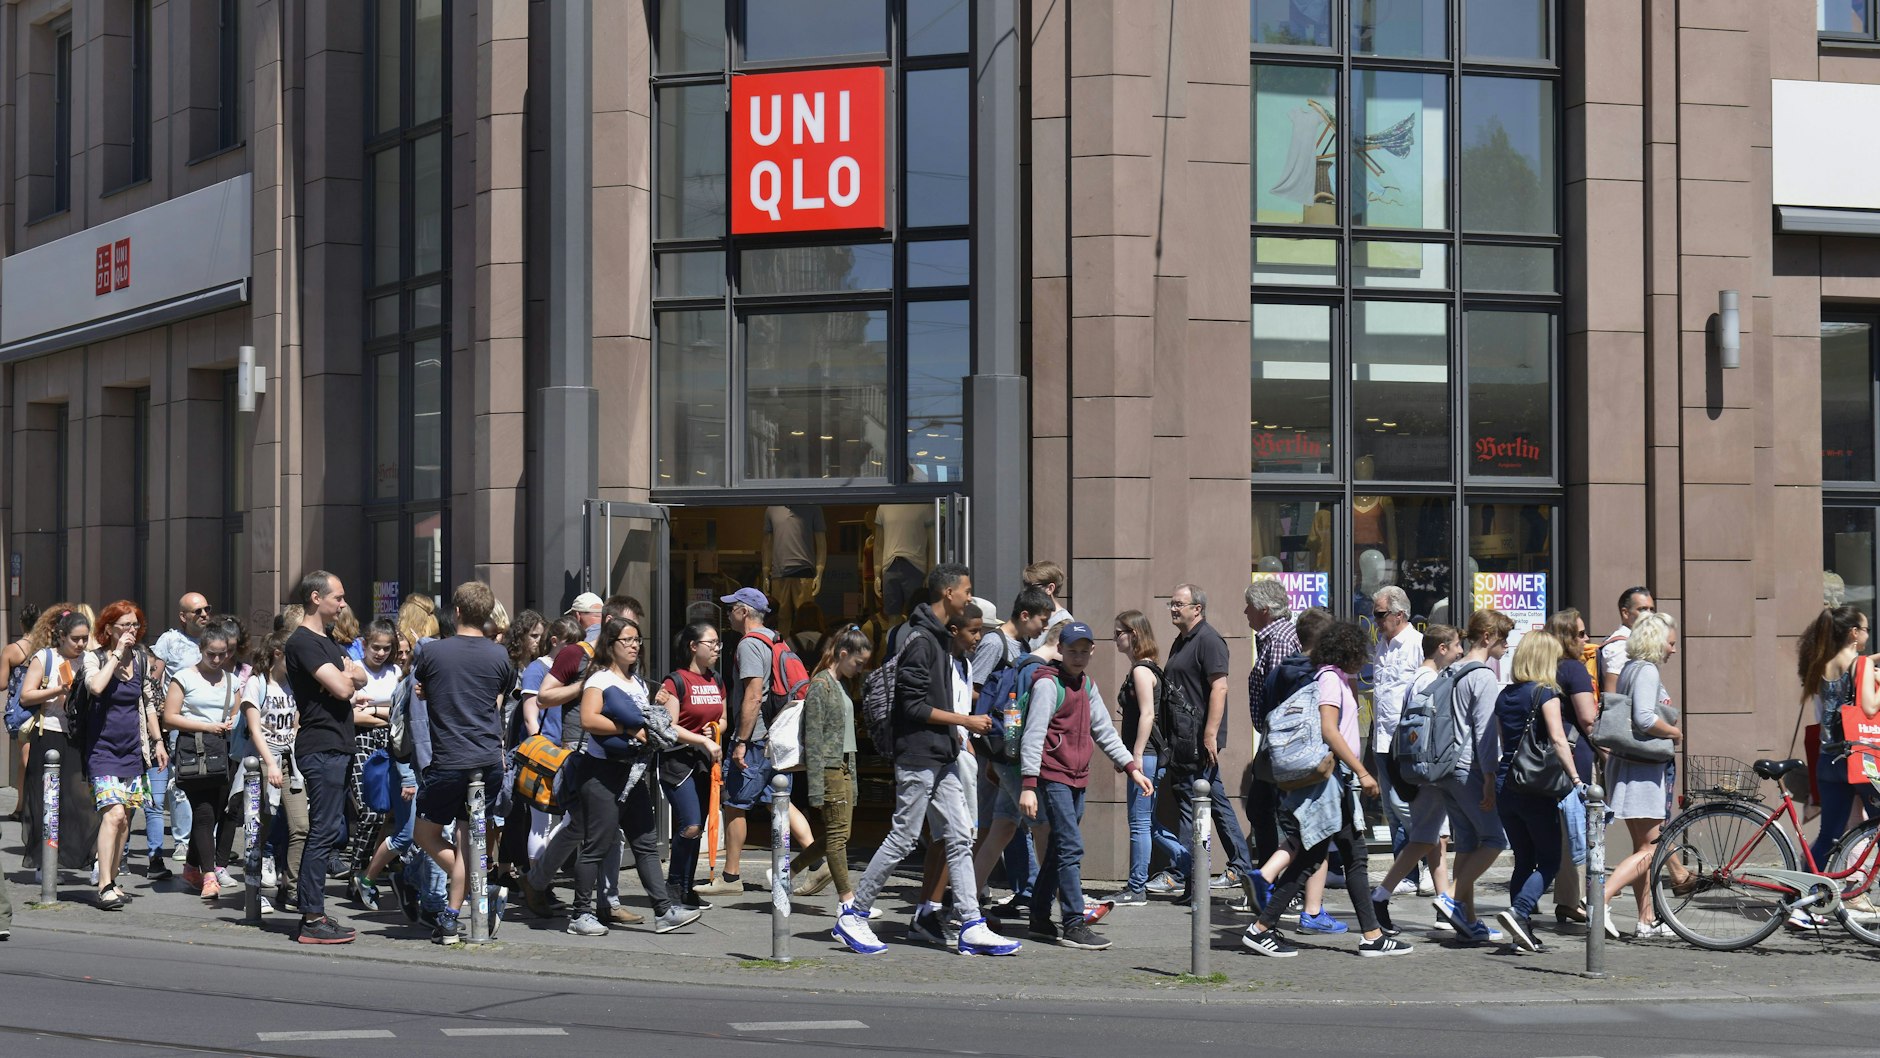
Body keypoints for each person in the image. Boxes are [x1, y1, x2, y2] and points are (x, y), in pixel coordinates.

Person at [833, 563, 1019, 956]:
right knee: (903, 836)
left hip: (942, 754)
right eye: (966, 591)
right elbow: (912, 707)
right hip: (919, 755)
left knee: (959, 838)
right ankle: (855, 914)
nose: (970, 598)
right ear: (948, 593)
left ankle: (971, 923)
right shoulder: (920, 640)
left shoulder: (937, 640)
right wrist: (965, 721)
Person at [1240, 621, 1409, 958]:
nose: (1365, 659)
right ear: (1349, 652)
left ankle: (1372, 935)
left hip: (1337, 782)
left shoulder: (1336, 679)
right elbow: (1330, 731)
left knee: (1343, 857)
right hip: (1331, 782)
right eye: (1361, 653)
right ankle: (1261, 929)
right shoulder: (1330, 680)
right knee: (1319, 858)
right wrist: (1363, 772)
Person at [1373, 609, 1513, 944]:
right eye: (1504, 638)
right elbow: (1484, 734)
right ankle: (1450, 897)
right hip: (1467, 769)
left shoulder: (1452, 670)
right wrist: (1491, 776)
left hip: (1444, 769)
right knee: (1495, 839)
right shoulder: (1482, 676)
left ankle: (1468, 919)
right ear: (1489, 637)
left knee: (1465, 842)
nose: (1507, 646)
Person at [564, 616, 706, 936]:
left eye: (637, 640)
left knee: (644, 843)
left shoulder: (639, 683)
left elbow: (656, 723)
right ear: (610, 645)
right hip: (602, 774)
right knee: (596, 846)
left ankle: (664, 911)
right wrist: (628, 728)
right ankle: (580, 914)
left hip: (635, 772)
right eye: (626, 640)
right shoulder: (600, 680)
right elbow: (588, 719)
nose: (633, 646)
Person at [1018, 622, 1153, 949]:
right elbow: (1033, 735)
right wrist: (1028, 785)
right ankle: (1074, 923)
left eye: (1084, 651)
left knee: (1058, 848)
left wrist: (1132, 768)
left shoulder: (1087, 686)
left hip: (1078, 777)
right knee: (1071, 846)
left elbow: (1105, 732)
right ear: (1060, 650)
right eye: (1072, 650)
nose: (1078, 657)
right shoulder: (1048, 686)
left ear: (1092, 651)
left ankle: (1038, 917)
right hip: (1053, 776)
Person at [410, 581, 516, 945]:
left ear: (455, 611)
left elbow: (422, 688)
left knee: (424, 833)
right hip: (487, 759)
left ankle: (467, 893)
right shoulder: (499, 655)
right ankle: (454, 915)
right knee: (469, 840)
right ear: (487, 614)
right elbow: (499, 693)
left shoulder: (433, 653)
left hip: (450, 758)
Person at [696, 587, 813, 896]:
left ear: (744, 612)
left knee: (734, 803)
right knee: (781, 800)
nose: (729, 613)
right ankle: (818, 859)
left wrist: (741, 741)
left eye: (732, 607)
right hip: (775, 737)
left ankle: (731, 878)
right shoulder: (774, 638)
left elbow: (753, 695)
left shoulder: (749, 644)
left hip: (757, 737)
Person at [284, 570, 371, 944]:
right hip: (321, 747)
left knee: (330, 829)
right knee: (322, 832)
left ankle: (314, 911)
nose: (343, 604)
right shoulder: (303, 642)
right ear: (316, 598)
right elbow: (342, 687)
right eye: (338, 597)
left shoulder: (330, 641)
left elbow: (361, 677)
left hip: (338, 744)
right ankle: (311, 917)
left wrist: (348, 674)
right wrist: (345, 675)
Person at [1162, 583, 1258, 911]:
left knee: (1197, 806)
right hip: (1183, 738)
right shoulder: (1182, 640)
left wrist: (1210, 735)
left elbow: (1220, 687)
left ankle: (1197, 877)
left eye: (1179, 604)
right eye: (1171, 604)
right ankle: (1239, 868)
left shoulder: (1208, 640)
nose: (1174, 609)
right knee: (1214, 802)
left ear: (1197, 608)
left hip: (1199, 741)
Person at [1490, 632, 1583, 953]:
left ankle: (1522, 931)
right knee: (1549, 860)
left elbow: (1506, 744)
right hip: (1535, 789)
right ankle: (1519, 911)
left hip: (1507, 783)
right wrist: (1576, 779)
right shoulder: (1547, 693)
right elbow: (1558, 740)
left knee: (1523, 859)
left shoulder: (1505, 695)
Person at [1367, 624, 1460, 932]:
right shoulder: (1431, 680)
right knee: (1432, 840)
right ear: (1442, 648)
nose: (1460, 650)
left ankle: (1441, 904)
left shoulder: (1418, 678)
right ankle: (1437, 904)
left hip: (1419, 770)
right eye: (1457, 645)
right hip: (1429, 772)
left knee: (1430, 840)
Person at [1599, 611, 1683, 939]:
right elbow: (1646, 719)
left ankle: (1646, 919)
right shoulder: (1646, 670)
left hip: (1631, 765)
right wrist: (1674, 733)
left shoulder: (1631, 669)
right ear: (1656, 640)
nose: (1673, 650)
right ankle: (1599, 897)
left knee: (1643, 847)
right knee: (1653, 848)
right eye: (1670, 643)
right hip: (1643, 770)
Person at [81, 601, 166, 909]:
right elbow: (97, 687)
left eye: (134, 626)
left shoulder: (142, 661)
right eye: (124, 626)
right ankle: (103, 884)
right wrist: (116, 653)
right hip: (101, 750)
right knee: (113, 814)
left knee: (125, 821)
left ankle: (113, 879)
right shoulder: (94, 658)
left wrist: (157, 741)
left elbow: (148, 704)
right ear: (108, 630)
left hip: (132, 750)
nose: (131, 631)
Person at [1105, 610, 1184, 905]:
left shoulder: (1141, 671)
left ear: (1133, 635)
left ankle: (1136, 888)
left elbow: (1148, 715)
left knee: (1139, 823)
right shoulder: (1149, 668)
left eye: (1118, 634)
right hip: (1147, 757)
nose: (1115, 640)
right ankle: (1192, 865)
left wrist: (1135, 755)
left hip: (1146, 757)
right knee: (1147, 822)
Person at [162, 617, 243, 903]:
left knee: (216, 811)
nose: (218, 659)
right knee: (205, 812)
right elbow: (169, 717)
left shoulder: (232, 680)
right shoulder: (184, 677)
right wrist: (207, 726)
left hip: (223, 754)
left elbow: (237, 714)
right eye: (212, 654)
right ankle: (209, 875)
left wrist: (233, 720)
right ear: (201, 649)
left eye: (224, 654)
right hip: (195, 753)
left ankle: (190, 867)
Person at [20, 608, 102, 874]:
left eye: (84, 639)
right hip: (50, 734)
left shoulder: (89, 660)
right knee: (48, 801)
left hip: (78, 737)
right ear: (61, 636)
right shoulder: (44, 658)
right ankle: (45, 863)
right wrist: (57, 690)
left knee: (80, 801)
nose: (80, 644)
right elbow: (26, 696)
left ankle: (85, 858)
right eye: (75, 639)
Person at [795, 626, 871, 907]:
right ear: (842, 654)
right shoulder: (821, 685)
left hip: (844, 765)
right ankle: (847, 900)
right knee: (838, 837)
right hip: (830, 768)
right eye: (858, 662)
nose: (860, 669)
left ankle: (786, 872)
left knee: (839, 834)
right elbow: (812, 738)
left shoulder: (838, 684)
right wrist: (815, 787)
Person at [655, 620, 728, 910]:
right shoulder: (676, 681)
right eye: (711, 644)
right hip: (677, 761)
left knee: (698, 826)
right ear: (693, 646)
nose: (716, 650)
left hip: (704, 762)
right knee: (690, 823)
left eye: (718, 644)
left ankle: (686, 887)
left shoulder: (717, 680)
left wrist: (715, 730)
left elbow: (723, 718)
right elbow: (669, 727)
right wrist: (701, 739)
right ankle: (674, 884)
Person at [1800, 606, 1874, 885]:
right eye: (1865, 629)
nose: (1867, 634)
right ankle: (1858, 888)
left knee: (1828, 835)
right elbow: (1868, 706)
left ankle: (1801, 902)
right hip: (1858, 759)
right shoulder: (1861, 664)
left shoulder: (1822, 664)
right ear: (1853, 633)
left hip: (1828, 760)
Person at [1370, 586, 1431, 889]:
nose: (1376, 620)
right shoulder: (1382, 644)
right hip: (1381, 737)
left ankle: (1432, 860)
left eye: (1380, 614)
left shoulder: (1418, 645)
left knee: (1407, 806)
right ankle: (1407, 873)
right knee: (1392, 810)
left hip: (1407, 740)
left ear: (1399, 614)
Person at [243, 632, 307, 911]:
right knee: (259, 829)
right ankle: (253, 889)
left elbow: (296, 722)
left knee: (301, 826)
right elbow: (254, 729)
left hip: (290, 762)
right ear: (279, 653)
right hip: (260, 763)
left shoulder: (294, 683)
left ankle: (289, 887)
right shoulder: (257, 684)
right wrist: (270, 763)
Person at [1544, 609, 1600, 926]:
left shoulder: (1546, 668)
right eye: (1580, 633)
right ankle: (1575, 899)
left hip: (1551, 759)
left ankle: (1567, 899)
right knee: (1578, 829)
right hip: (1577, 758)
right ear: (1567, 637)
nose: (1586, 638)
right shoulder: (1575, 671)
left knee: (1564, 831)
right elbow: (1588, 720)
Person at [1242, 579, 1298, 875]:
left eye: (1249, 606)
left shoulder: (1278, 640)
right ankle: (1268, 880)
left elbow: (1280, 699)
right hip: (1273, 741)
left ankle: (1275, 881)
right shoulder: (1271, 637)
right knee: (1261, 809)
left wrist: (1275, 744)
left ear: (1264, 610)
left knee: (1269, 812)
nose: (1245, 612)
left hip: (1280, 742)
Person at [345, 619, 402, 904]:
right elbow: (351, 714)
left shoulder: (395, 672)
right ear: (364, 645)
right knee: (369, 811)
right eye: (375, 647)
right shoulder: (355, 671)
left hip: (388, 743)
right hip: (360, 741)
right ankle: (357, 870)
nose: (380, 653)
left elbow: (398, 711)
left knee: (386, 812)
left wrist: (374, 709)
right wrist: (382, 713)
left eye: (386, 648)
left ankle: (366, 872)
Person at [5, 602, 41, 823]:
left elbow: (1, 684)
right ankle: (26, 805)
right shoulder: (45, 649)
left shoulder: (12, 650)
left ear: (21, 622)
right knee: (31, 757)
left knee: (25, 758)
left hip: (19, 709)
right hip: (42, 708)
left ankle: (24, 806)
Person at [1597, 587, 1655, 693]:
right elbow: (1612, 697)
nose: (1649, 615)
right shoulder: (1621, 646)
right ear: (1625, 613)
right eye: (1642, 609)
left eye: (1651, 609)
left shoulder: (1636, 642)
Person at [1021, 561, 1075, 649]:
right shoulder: (1034, 617)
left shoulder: (1064, 622)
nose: (1026, 591)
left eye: (1031, 586)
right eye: (1025, 585)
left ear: (1050, 588)